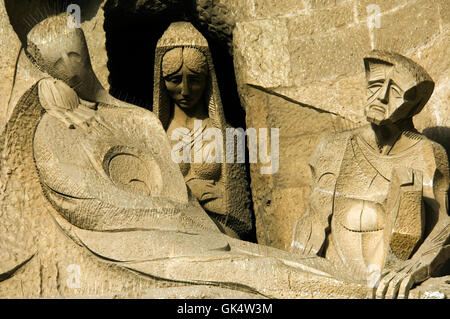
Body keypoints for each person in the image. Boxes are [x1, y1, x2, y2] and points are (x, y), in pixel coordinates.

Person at [291, 50, 449, 299]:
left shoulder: (427, 153)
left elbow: (446, 224)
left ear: (414, 105)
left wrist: (416, 267)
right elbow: (313, 219)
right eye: (375, 85)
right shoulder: (333, 145)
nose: (381, 97)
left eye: (396, 91)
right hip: (328, 281)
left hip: (390, 288)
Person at [153, 22, 254, 240]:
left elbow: (240, 216)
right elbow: (149, 202)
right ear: (162, 83)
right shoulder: (153, 137)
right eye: (175, 80)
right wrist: (193, 192)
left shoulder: (229, 137)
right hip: (173, 235)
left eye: (194, 80)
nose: (185, 90)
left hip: (221, 234)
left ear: (207, 81)